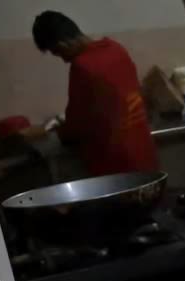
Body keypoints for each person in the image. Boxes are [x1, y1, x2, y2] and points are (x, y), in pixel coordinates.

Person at [21, 11, 159, 177]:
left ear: (63, 44)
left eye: (57, 52)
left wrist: (55, 133)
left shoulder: (82, 66)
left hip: (117, 165)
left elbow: (76, 124)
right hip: (144, 152)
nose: (64, 59)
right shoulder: (116, 49)